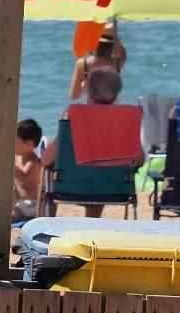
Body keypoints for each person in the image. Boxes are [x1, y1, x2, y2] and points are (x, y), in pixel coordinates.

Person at [42, 64, 133, 218]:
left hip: (70, 187)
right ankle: (92, 221)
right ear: (117, 94)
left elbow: (46, 159)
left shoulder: (73, 117)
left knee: (50, 173)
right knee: (101, 172)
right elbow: (139, 160)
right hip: (113, 189)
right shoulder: (125, 120)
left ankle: (48, 224)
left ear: (87, 93)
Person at [68, 22, 127, 102]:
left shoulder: (83, 64)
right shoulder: (116, 63)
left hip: (92, 110)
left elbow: (74, 96)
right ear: (113, 46)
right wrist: (115, 36)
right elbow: (123, 54)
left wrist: (84, 86)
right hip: (113, 110)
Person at [14, 118, 44, 219]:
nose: (13, 144)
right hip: (19, 201)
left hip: (32, 203)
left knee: (12, 214)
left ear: (29, 144)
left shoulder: (33, 161)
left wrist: (10, 166)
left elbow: (23, 177)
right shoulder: (17, 157)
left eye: (16, 141)